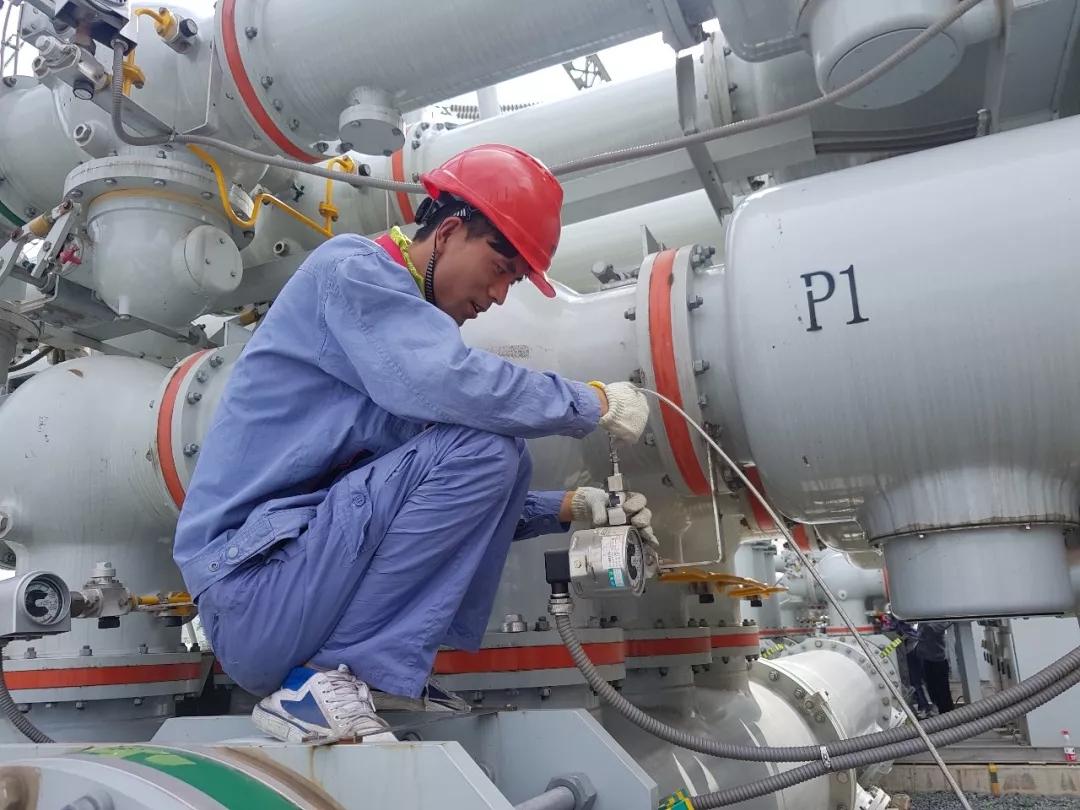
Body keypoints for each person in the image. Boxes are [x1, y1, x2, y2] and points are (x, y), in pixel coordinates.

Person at [172, 144, 656, 745]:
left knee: (500, 460)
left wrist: (569, 507)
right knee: (491, 449)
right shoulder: (351, 269)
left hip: (289, 584)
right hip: (253, 589)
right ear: (448, 232)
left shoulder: (390, 349)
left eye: (513, 281)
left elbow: (425, 506)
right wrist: (591, 402)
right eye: (500, 268)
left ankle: (360, 679)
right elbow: (448, 380)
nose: (500, 296)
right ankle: (325, 680)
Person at [918, 621, 955, 714]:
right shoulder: (925, 623)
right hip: (928, 660)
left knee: (942, 694)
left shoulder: (931, 625)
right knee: (933, 691)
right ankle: (942, 712)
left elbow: (934, 628)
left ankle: (948, 715)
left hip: (937, 661)